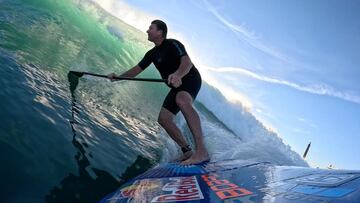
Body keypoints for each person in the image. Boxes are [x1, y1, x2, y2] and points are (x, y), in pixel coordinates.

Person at [108, 20, 209, 165]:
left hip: (190, 78)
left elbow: (187, 62)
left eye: (151, 28)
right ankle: (187, 151)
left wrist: (178, 75)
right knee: (164, 118)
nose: (147, 30)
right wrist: (117, 77)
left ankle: (201, 152)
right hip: (176, 86)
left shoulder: (173, 44)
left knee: (182, 100)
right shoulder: (151, 54)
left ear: (160, 32)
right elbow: (137, 70)